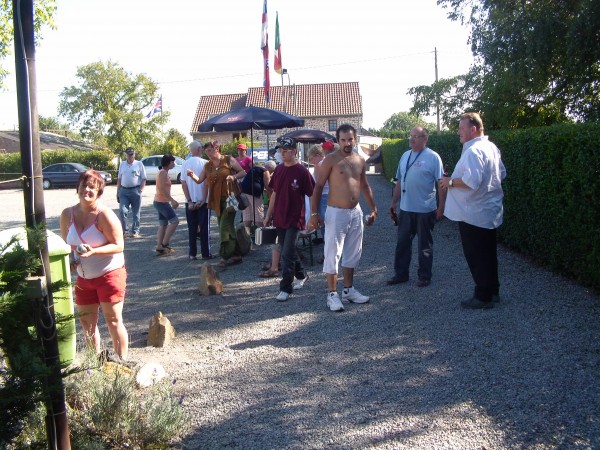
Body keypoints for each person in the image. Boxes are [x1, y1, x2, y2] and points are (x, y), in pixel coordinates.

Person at [439, 112, 507, 309]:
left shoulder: (473, 151)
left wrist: (448, 182)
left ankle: (482, 296)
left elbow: (472, 181)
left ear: (473, 129)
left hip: (472, 212)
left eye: (461, 128)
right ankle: (493, 291)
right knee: (488, 253)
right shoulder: (491, 147)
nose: (458, 132)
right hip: (488, 210)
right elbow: (502, 173)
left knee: (476, 255)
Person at [60, 170, 129, 360]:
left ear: (99, 192)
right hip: (84, 278)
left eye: (92, 187)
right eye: (84, 186)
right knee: (87, 323)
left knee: (113, 320)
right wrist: (72, 261)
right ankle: (94, 366)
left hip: (109, 274)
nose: (87, 190)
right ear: (78, 188)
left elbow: (119, 245)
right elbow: (66, 245)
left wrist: (94, 251)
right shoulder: (67, 214)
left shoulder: (104, 215)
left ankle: (121, 365)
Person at [308, 124, 377, 312]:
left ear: (355, 139)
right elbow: (318, 187)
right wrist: (314, 214)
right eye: (343, 140)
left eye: (350, 139)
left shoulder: (360, 160)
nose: (347, 143)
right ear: (338, 141)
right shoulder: (329, 160)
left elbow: (364, 186)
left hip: (356, 211)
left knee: (354, 251)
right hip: (336, 212)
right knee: (333, 252)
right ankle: (332, 294)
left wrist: (373, 208)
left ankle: (348, 290)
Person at [387, 127, 446, 287]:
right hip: (406, 209)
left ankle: (424, 276)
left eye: (416, 136)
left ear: (425, 138)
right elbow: (399, 181)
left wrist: (441, 208)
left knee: (425, 245)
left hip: (425, 210)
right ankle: (401, 274)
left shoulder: (433, 157)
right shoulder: (405, 155)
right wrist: (394, 202)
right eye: (410, 136)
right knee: (402, 243)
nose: (411, 139)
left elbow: (441, 184)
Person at [264, 137, 314, 301]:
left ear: (294, 151)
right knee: (289, 251)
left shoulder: (302, 171)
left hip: (295, 218)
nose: (282, 154)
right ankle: (301, 275)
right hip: (279, 217)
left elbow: (312, 194)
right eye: (281, 151)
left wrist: (313, 216)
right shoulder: (278, 170)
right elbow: (274, 194)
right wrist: (268, 215)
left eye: (285, 151)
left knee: (286, 253)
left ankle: (286, 287)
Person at [187, 141, 247, 267]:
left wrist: (233, 177)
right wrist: (192, 176)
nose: (207, 153)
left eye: (209, 150)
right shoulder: (208, 165)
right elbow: (200, 181)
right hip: (216, 200)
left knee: (224, 227)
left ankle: (224, 256)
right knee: (226, 226)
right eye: (206, 151)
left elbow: (243, 172)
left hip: (230, 199)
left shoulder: (228, 160)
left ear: (217, 149)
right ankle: (237, 255)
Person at [181, 140, 211, 260]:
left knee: (192, 228)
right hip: (203, 200)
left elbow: (183, 183)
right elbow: (206, 184)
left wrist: (189, 200)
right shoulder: (206, 163)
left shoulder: (184, 164)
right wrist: (203, 199)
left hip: (190, 200)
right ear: (199, 149)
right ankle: (206, 253)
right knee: (204, 228)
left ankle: (192, 253)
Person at [116, 147, 147, 238]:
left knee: (136, 212)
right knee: (122, 211)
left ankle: (135, 231)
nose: (130, 156)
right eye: (128, 154)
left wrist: (140, 190)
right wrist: (118, 191)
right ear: (126, 155)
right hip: (124, 191)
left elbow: (144, 178)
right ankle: (125, 231)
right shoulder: (122, 164)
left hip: (135, 190)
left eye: (132, 154)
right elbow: (119, 179)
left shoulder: (139, 164)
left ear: (134, 154)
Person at [153, 154, 180, 256]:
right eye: (173, 162)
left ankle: (159, 246)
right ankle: (164, 244)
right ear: (168, 163)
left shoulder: (164, 172)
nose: (174, 164)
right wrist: (172, 200)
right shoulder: (163, 172)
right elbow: (162, 189)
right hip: (161, 202)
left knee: (163, 224)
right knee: (175, 221)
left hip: (161, 201)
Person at [240, 162, 272, 233]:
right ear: (269, 168)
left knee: (247, 213)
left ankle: (246, 234)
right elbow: (268, 186)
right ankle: (260, 234)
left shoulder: (254, 169)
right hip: (254, 192)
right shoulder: (265, 171)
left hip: (243, 190)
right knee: (258, 212)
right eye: (271, 171)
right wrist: (271, 196)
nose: (270, 173)